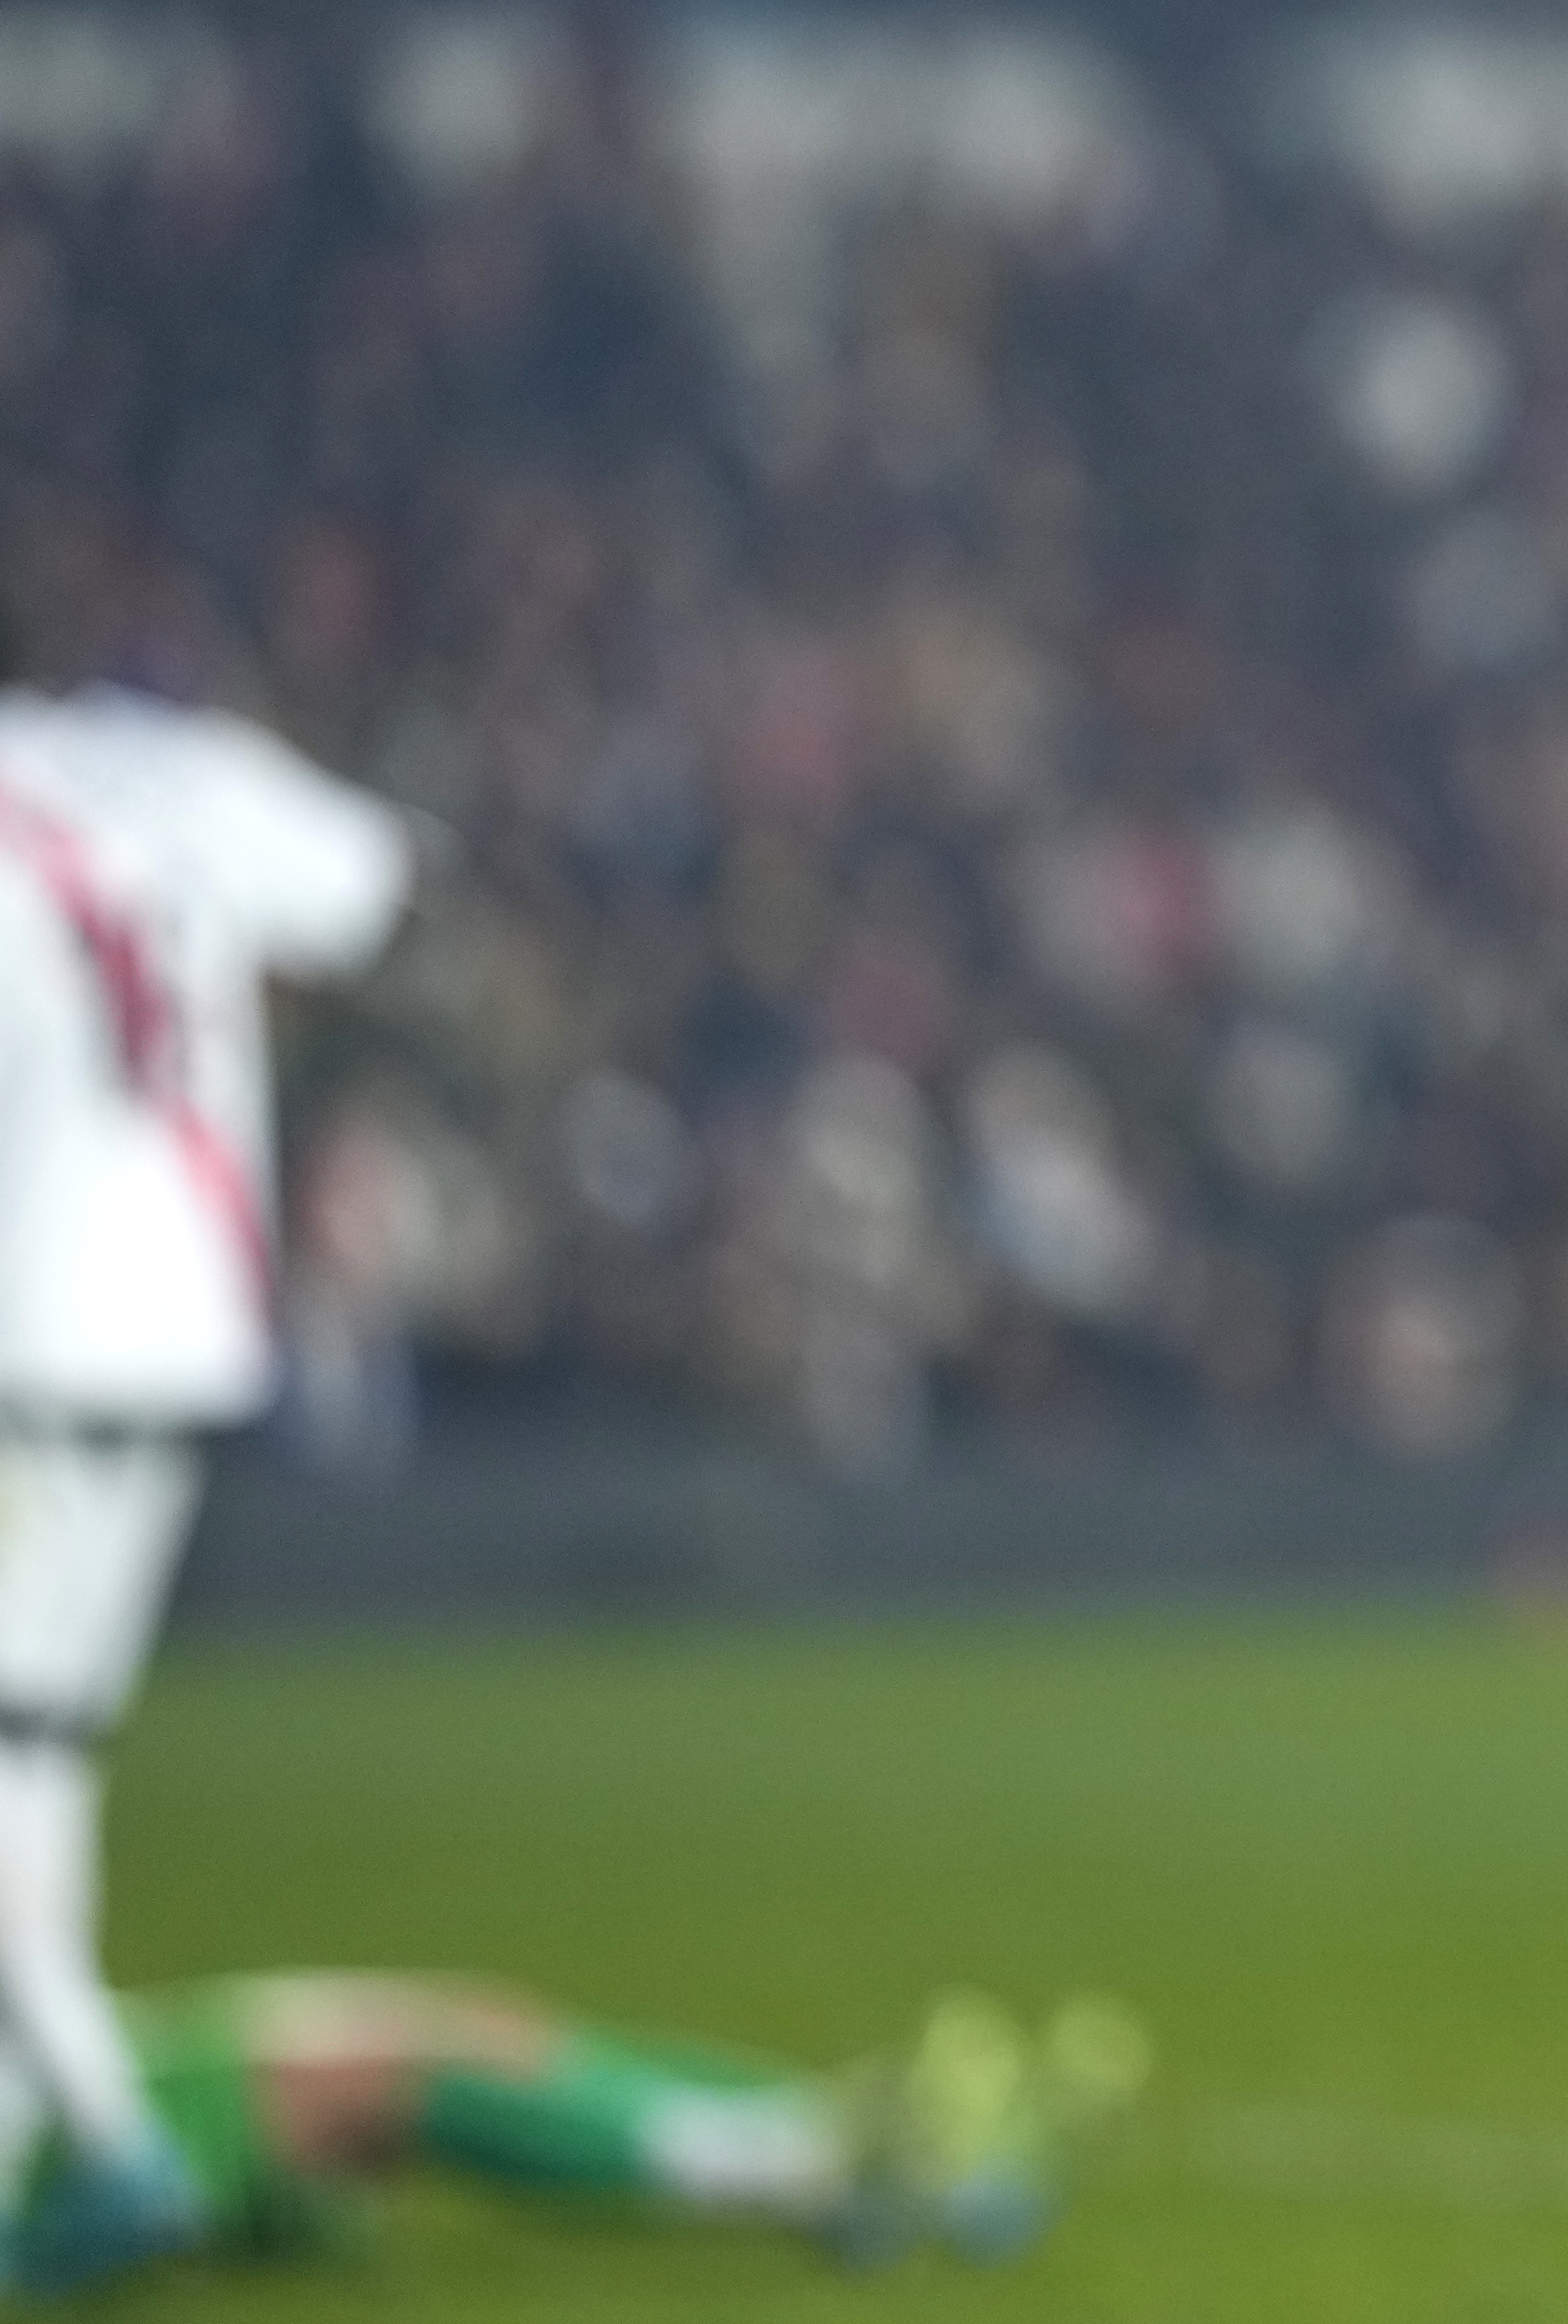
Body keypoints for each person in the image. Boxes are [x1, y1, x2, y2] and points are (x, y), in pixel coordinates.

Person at [0, 618, 418, 2276]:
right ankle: (37, 2148)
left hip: (30, 1329)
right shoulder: (174, 793)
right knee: (35, 1750)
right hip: (178, 1316)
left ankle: (108, 2142)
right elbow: (367, 885)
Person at [8, 1972, 1138, 2286]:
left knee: (470, 2022)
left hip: (92, 2082)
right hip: (77, 2130)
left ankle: (823, 2143)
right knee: (409, 2057)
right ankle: (829, 2158)